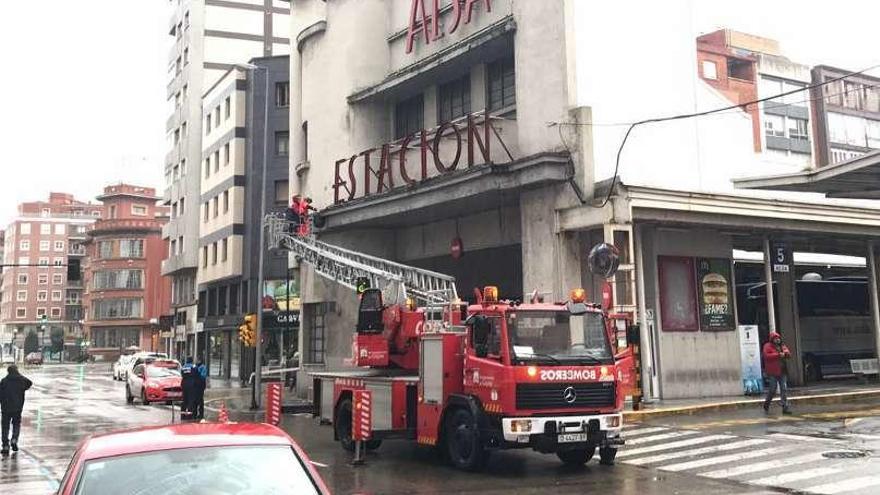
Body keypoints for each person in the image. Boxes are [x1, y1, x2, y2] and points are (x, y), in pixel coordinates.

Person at [0, 365, 33, 455]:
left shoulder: (4, 381)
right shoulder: (21, 380)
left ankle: (5, 445)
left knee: (5, 426)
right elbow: (29, 383)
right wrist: (19, 376)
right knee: (16, 424)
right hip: (17, 408)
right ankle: (14, 439)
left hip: (6, 408)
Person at [763, 331, 792, 414]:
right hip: (773, 372)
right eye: (775, 338)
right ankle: (767, 403)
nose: (777, 340)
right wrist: (778, 355)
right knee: (772, 389)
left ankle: (785, 407)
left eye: (778, 338)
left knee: (784, 388)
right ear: (772, 339)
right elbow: (766, 356)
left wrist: (786, 354)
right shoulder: (767, 346)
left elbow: (788, 354)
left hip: (782, 371)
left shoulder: (782, 346)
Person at [180, 357, 197, 421]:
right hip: (191, 384)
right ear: (192, 361)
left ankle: (183, 415)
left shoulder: (183, 367)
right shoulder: (193, 366)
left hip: (184, 384)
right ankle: (190, 415)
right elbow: (196, 374)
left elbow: (182, 374)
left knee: (184, 399)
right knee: (191, 399)